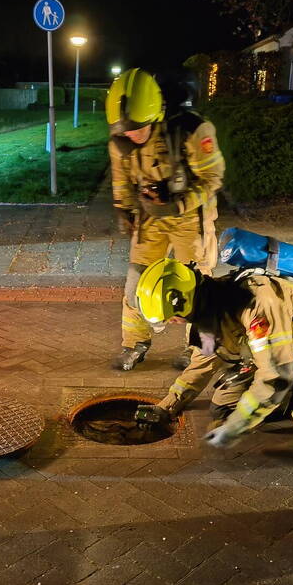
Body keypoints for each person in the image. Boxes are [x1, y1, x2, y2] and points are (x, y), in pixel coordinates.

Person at [134, 258, 293, 460]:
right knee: (225, 408)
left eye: (171, 318)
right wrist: (167, 405)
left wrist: (235, 428)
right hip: (275, 358)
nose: (172, 323)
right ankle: (289, 403)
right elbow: (203, 362)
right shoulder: (207, 309)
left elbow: (277, 377)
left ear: (182, 302)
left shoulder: (257, 305)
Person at [106, 68, 225, 371]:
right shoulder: (121, 139)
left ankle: (198, 348)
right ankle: (135, 343)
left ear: (156, 114)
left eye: (138, 128)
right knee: (137, 281)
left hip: (189, 219)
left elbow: (212, 177)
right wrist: (124, 208)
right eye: (125, 130)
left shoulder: (192, 131)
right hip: (150, 219)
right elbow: (121, 179)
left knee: (196, 284)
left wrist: (179, 203)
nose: (131, 134)